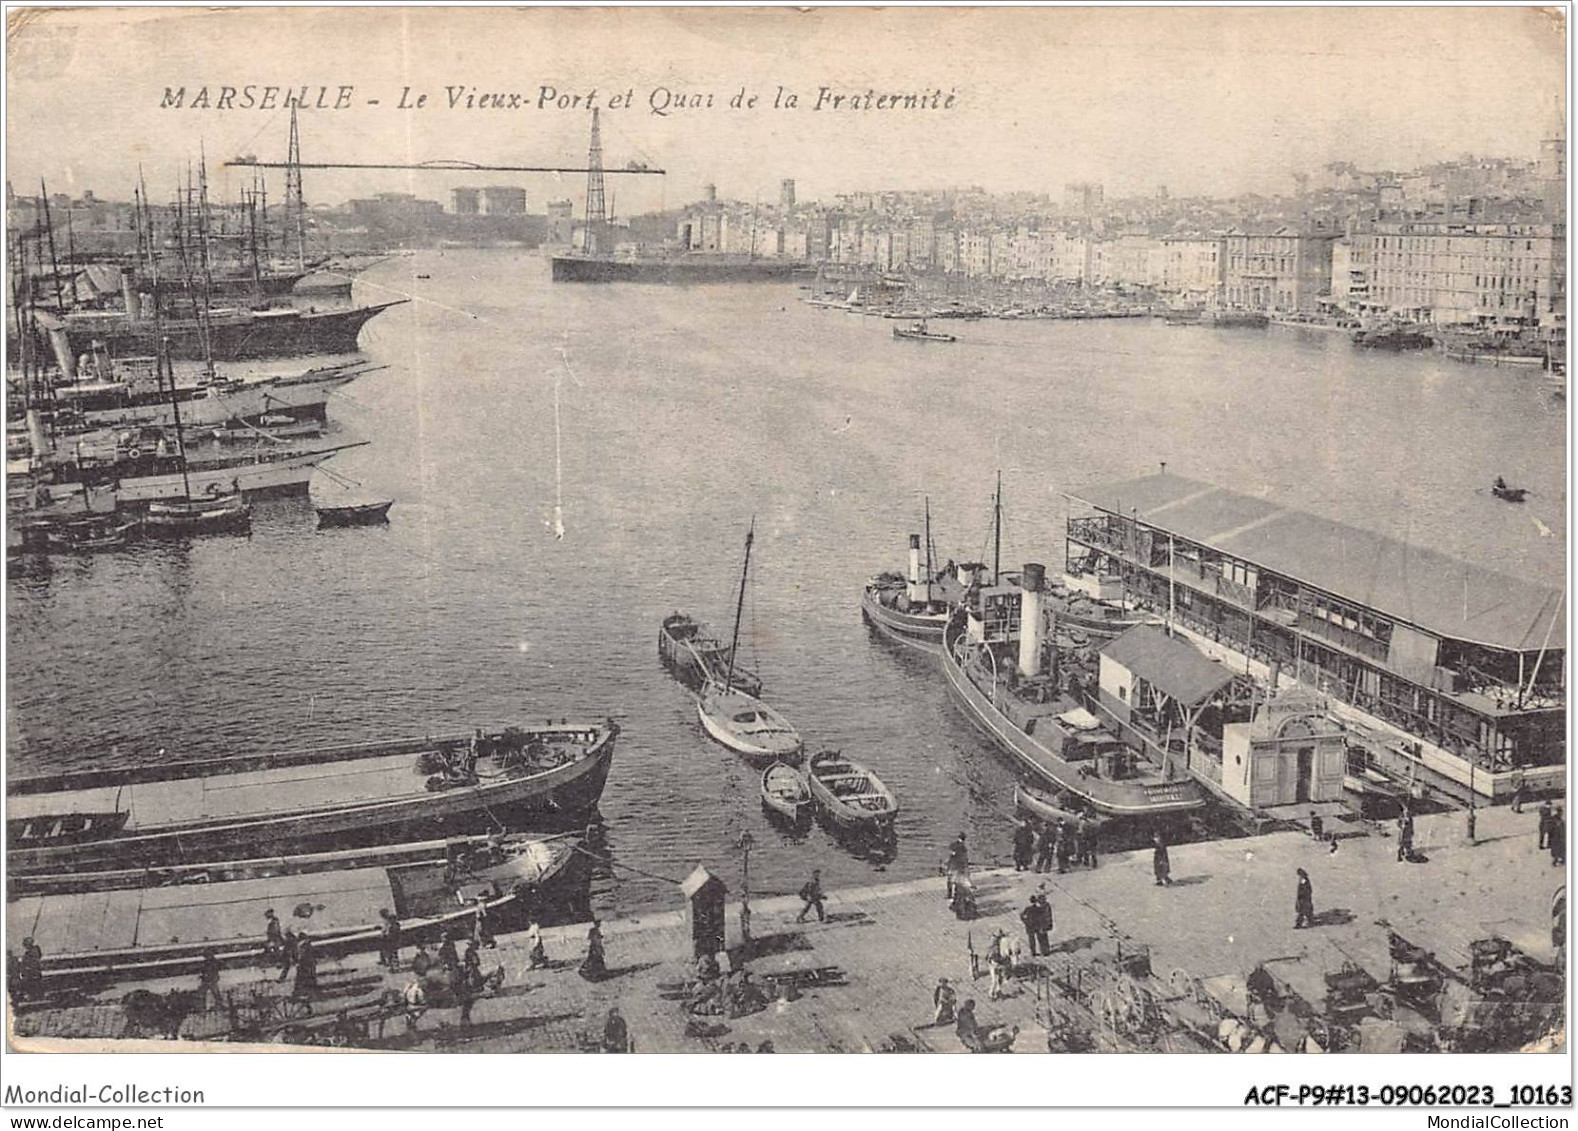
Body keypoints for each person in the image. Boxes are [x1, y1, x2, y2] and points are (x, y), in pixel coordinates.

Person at [18, 938, 43, 1002]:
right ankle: (37, 996)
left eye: (26, 945)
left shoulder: (32, 952)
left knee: (33, 984)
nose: (25, 946)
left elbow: (32, 962)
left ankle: (35, 996)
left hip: (32, 971)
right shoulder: (31, 952)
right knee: (34, 984)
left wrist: (27, 968)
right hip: (32, 971)